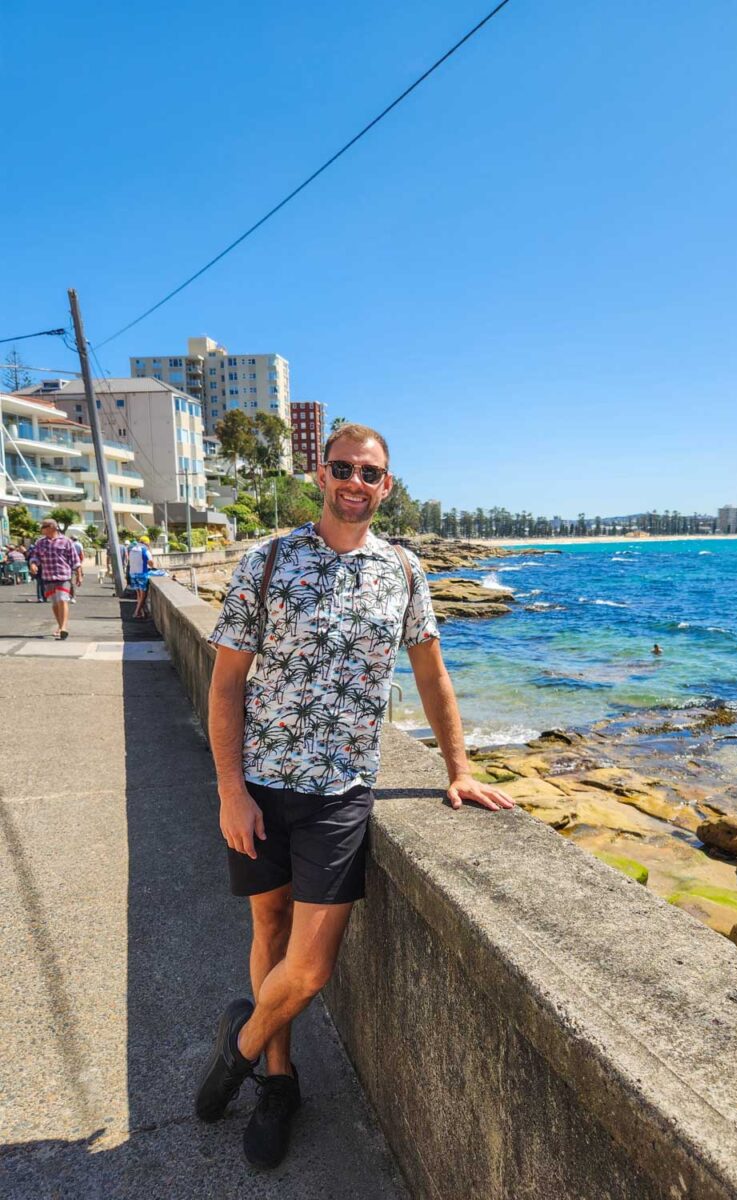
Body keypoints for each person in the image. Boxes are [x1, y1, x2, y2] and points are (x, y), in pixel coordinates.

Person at [196, 423, 515, 1170]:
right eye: (343, 468)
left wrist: (457, 768)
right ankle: (279, 1080)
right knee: (268, 930)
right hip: (262, 787)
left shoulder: (402, 571)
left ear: (386, 485)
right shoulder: (268, 561)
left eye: (369, 473)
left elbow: (433, 676)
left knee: (309, 969)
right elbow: (227, 684)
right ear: (320, 473)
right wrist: (229, 789)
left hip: (341, 795)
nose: (355, 483)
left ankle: (234, 1051)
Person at [28, 519, 82, 639]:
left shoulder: (66, 541)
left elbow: (75, 559)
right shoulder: (40, 542)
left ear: (52, 527)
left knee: (63, 599)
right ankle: (60, 626)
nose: (42, 529)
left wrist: (79, 574)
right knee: (55, 603)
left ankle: (63, 627)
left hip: (63, 576)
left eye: (44, 526)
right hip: (48, 576)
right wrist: (33, 564)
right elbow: (35, 556)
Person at [127, 535, 155, 619]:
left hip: (132, 573)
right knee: (143, 595)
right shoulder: (145, 550)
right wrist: (150, 551)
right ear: (146, 543)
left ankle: (141, 613)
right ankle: (136, 612)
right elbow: (151, 563)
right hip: (142, 574)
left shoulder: (132, 549)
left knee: (138, 594)